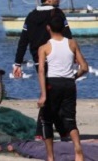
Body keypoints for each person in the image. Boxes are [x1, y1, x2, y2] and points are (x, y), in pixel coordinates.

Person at [13, 0, 72, 139]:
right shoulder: (57, 14)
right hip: (55, 59)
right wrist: (73, 56)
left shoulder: (31, 15)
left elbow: (23, 40)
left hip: (38, 60)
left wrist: (17, 63)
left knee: (51, 93)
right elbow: (68, 36)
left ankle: (61, 130)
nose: (59, 0)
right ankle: (41, 132)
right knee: (53, 95)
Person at [37, 14, 88, 161]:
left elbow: (41, 71)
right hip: (69, 84)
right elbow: (84, 67)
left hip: (53, 83)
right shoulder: (72, 43)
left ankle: (50, 157)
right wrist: (74, 77)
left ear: (48, 28)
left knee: (46, 120)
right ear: (63, 28)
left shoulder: (44, 47)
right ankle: (77, 148)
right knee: (70, 120)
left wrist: (43, 94)